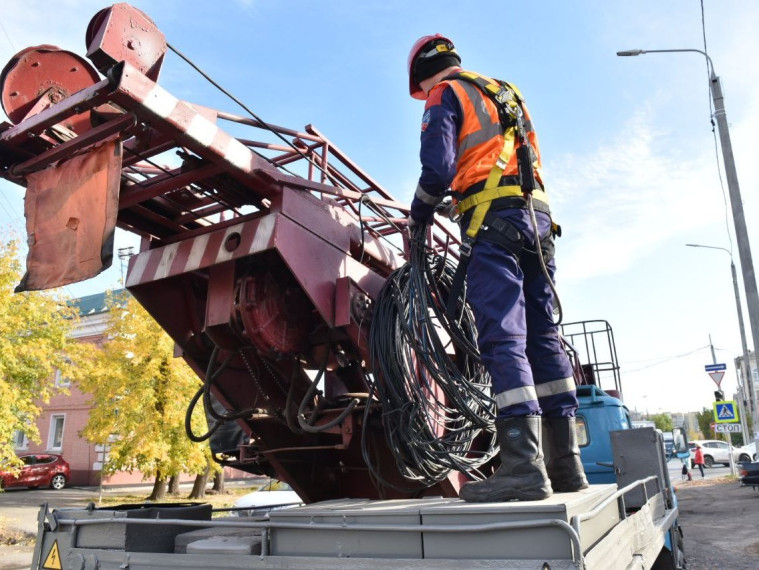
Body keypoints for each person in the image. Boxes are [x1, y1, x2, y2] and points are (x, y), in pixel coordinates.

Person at [406, 35, 588, 502]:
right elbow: (507, 159)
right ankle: (566, 469)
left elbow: (438, 167)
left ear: (422, 78)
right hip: (539, 223)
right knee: (544, 338)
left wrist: (421, 211)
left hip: (493, 225)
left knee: (503, 337)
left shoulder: (444, 94)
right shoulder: (505, 90)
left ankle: (525, 470)